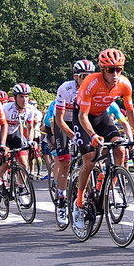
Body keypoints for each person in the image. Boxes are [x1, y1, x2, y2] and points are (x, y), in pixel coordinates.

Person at [75, 49, 134, 230]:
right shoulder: (91, 82)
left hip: (102, 116)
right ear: (102, 69)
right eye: (111, 70)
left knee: (120, 148)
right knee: (89, 161)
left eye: (119, 69)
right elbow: (82, 116)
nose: (116, 74)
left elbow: (130, 111)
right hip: (83, 118)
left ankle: (111, 188)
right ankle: (79, 202)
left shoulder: (124, 84)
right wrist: (93, 135)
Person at [50, 60, 93, 225]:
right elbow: (59, 120)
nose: (88, 79)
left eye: (90, 76)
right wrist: (72, 136)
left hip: (79, 121)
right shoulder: (65, 89)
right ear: (76, 77)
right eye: (84, 76)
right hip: (63, 123)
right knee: (66, 162)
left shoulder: (92, 88)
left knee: (89, 157)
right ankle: (61, 199)